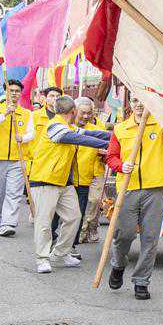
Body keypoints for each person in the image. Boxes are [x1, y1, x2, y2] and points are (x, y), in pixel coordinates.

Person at [27, 95, 106, 272]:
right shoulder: (55, 126)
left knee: (74, 217)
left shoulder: (68, 127)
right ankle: (42, 258)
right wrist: (111, 145)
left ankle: (60, 254)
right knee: (44, 222)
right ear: (73, 111)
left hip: (63, 182)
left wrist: (118, 135)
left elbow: (91, 133)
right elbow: (82, 140)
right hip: (44, 181)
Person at [108, 108, 163, 300]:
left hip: (156, 188)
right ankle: (118, 265)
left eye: (143, 101)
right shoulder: (121, 129)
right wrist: (121, 166)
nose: (139, 105)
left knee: (150, 238)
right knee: (124, 235)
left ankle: (142, 281)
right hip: (128, 188)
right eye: (136, 100)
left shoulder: (162, 124)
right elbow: (111, 157)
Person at [0, 80, 36, 235]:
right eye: (11, 90)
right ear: (5, 92)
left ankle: (9, 224)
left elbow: (32, 133)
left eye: (17, 91)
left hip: (18, 158)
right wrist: (5, 114)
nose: (14, 93)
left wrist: (23, 138)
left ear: (21, 94)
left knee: (14, 193)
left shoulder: (27, 113)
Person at [71, 95, 111, 245]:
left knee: (94, 201)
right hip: (76, 173)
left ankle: (85, 230)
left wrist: (105, 153)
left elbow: (107, 144)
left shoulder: (96, 129)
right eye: (83, 113)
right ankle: (78, 230)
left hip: (96, 170)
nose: (86, 116)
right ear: (75, 111)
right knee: (77, 206)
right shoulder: (68, 127)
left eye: (90, 113)